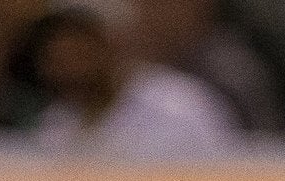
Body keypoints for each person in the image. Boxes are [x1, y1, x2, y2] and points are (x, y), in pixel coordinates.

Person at [22, 0, 241, 158]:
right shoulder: (55, 124)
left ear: (111, 43)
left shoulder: (180, 107)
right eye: (56, 58)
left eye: (79, 53)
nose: (69, 69)